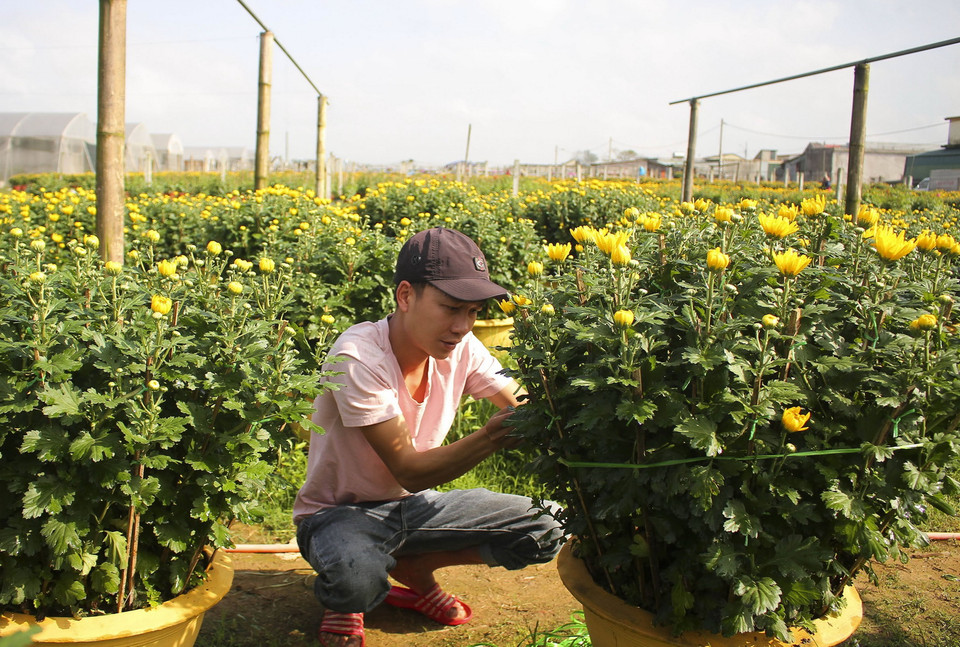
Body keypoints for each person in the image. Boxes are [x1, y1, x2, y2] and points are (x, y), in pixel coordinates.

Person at [293, 227, 563, 647]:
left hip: (416, 509)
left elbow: (519, 402)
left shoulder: (463, 346)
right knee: (356, 579)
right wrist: (490, 438)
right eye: (450, 308)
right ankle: (352, 593)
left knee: (549, 524)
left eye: (473, 312)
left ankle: (414, 567)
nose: (462, 326)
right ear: (405, 296)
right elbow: (409, 470)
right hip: (338, 514)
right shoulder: (359, 356)